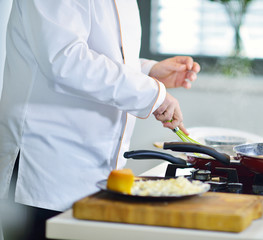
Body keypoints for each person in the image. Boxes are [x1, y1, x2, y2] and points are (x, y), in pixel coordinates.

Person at [0, 0, 200, 239]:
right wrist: (151, 93)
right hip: (48, 167)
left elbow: (103, 52)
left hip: (92, 170)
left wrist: (147, 71)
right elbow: (65, 59)